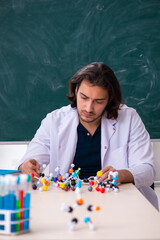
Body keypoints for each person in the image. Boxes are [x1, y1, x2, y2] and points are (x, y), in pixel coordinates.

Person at [17, 62, 158, 210]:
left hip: (120, 203)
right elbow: (32, 156)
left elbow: (147, 170)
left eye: (98, 101)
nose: (89, 108)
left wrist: (121, 175)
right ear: (76, 90)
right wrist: (27, 165)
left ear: (109, 99)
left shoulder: (129, 118)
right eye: (84, 97)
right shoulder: (55, 120)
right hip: (68, 202)